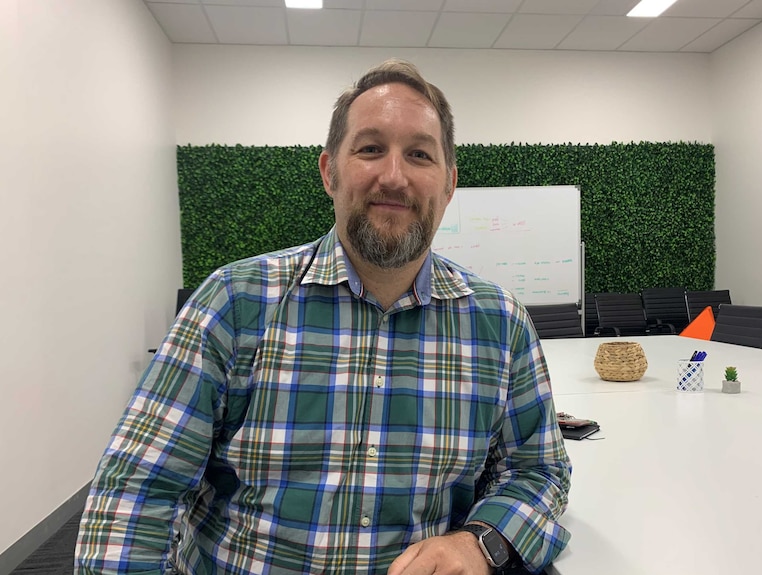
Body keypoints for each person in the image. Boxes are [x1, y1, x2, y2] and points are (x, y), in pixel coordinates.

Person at [75, 58, 571, 575]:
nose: (394, 175)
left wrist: (479, 543)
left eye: (419, 154)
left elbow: (538, 471)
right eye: (370, 148)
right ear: (330, 171)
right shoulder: (234, 304)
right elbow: (134, 495)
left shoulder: (501, 323)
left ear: (448, 185)